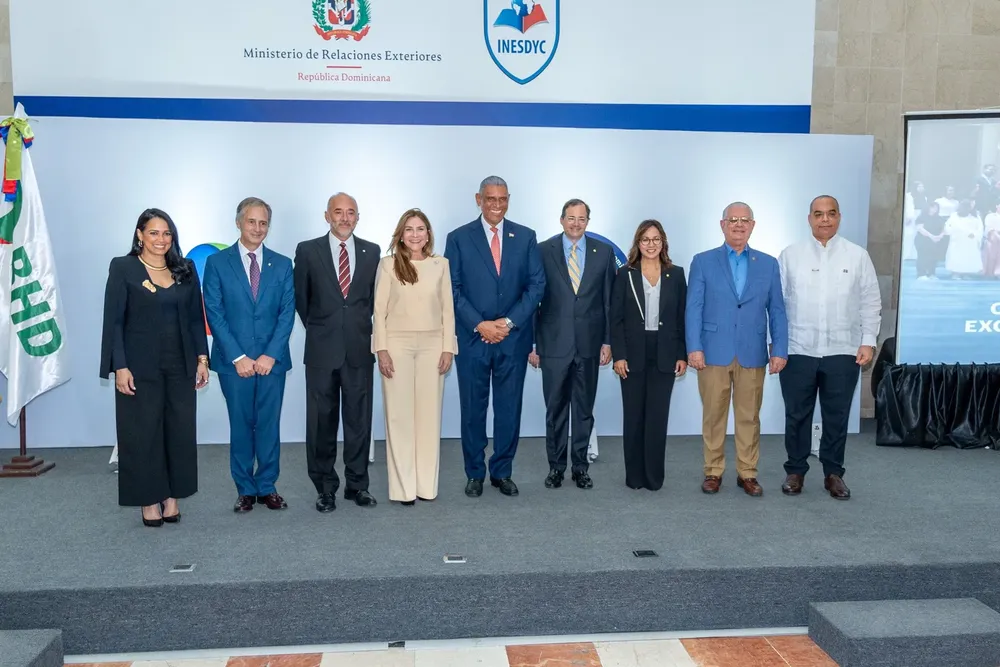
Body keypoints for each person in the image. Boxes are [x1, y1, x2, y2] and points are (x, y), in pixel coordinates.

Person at [99, 209, 210, 527]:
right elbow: (114, 321)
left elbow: (193, 319)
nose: (161, 240)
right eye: (153, 233)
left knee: (179, 432)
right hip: (139, 368)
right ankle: (148, 500)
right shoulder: (123, 268)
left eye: (167, 234)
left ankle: (171, 498)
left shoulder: (186, 268)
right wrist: (119, 365)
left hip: (181, 366)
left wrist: (202, 359)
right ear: (139, 234)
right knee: (142, 434)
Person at [444, 176, 545, 498]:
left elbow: (536, 286)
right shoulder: (458, 238)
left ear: (508, 199)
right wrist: (480, 324)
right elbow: (452, 288)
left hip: (512, 340)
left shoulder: (526, 236)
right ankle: (474, 473)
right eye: (490, 199)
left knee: (508, 409)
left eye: (502, 199)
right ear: (478, 199)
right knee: (473, 410)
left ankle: (502, 471)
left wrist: (509, 322)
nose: (496, 205)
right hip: (474, 339)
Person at [777, 196, 881, 500]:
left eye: (831, 214)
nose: (825, 220)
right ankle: (795, 470)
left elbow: (871, 302)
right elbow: (777, 305)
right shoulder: (790, 255)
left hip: (844, 350)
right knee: (797, 415)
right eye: (819, 214)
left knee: (836, 415)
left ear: (839, 217)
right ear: (809, 218)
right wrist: (778, 345)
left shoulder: (857, 256)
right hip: (798, 349)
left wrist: (868, 342)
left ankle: (833, 473)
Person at [685, 202, 787, 497]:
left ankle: (748, 473)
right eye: (733, 220)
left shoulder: (768, 264)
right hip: (712, 352)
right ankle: (713, 471)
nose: (739, 225)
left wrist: (779, 349)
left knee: (749, 416)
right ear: (722, 225)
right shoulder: (703, 261)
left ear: (753, 225)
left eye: (745, 220)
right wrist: (694, 347)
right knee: (713, 416)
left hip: (752, 352)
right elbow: (693, 308)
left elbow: (777, 310)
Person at [202, 197, 295, 513]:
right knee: (241, 426)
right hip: (234, 364)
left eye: (263, 222)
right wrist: (238, 357)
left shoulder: (282, 264)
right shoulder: (217, 263)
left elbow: (286, 313)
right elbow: (214, 312)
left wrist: (270, 354)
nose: (258, 228)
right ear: (238, 222)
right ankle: (244, 489)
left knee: (269, 425)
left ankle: (267, 487)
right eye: (252, 221)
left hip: (273, 362)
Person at [294, 192, 381, 512]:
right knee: (321, 423)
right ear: (327, 215)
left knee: (359, 422)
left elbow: (373, 302)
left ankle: (357, 485)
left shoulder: (372, 252)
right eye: (339, 212)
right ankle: (325, 487)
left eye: (351, 213)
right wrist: (323, 329)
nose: (345, 218)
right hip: (321, 351)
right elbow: (301, 301)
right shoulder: (307, 250)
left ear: (358, 217)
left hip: (359, 349)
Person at [528, 199, 615, 490]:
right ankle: (556, 467)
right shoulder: (542, 251)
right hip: (553, 344)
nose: (576, 223)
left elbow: (607, 302)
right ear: (561, 220)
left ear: (588, 221)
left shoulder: (603, 253)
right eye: (571, 218)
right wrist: (533, 344)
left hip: (590, 345)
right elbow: (532, 301)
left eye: (581, 219)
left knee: (583, 410)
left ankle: (580, 467)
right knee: (555, 410)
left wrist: (607, 341)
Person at [372, 209, 457, 505]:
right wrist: (381, 350)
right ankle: (403, 488)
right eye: (409, 229)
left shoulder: (441, 265)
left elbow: (448, 310)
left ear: (428, 234)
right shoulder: (388, 265)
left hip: (434, 345)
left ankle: (425, 486)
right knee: (399, 417)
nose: (415, 234)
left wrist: (449, 348)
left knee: (428, 417)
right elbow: (378, 312)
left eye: (421, 229)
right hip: (396, 346)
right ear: (401, 234)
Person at [609, 220, 687, 491]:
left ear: (663, 242)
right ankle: (634, 477)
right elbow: (615, 319)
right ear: (637, 243)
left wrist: (682, 354)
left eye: (656, 239)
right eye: (645, 239)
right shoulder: (624, 274)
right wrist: (619, 355)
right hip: (632, 353)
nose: (651, 244)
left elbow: (681, 318)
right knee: (634, 416)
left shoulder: (676, 274)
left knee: (657, 417)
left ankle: (654, 477)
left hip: (665, 352)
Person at [943, 200, 984, 278]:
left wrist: (974, 235)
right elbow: (949, 226)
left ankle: (966, 273)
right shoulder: (954, 216)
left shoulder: (975, 216)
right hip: (958, 240)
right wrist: (962, 232)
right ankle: (956, 273)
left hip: (970, 241)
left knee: (967, 257)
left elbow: (980, 228)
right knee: (956, 257)